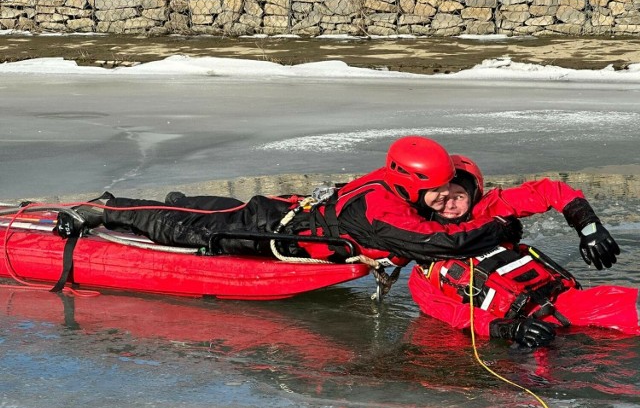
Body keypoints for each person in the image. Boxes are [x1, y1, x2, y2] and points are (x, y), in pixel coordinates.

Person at [58, 136, 523, 266]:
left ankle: (168, 200)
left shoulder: (401, 187)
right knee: (188, 228)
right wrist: (498, 231)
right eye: (435, 190)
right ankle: (104, 209)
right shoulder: (379, 207)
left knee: (198, 209)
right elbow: (433, 245)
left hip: (292, 216)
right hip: (272, 228)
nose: (441, 198)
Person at [408, 155, 638, 348]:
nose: (450, 205)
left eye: (459, 196)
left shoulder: (489, 212)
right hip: (517, 336)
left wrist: (589, 226)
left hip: (565, 302)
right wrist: (510, 329)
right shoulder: (424, 270)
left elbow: (548, 191)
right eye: (443, 197)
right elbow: (451, 314)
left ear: (473, 195)